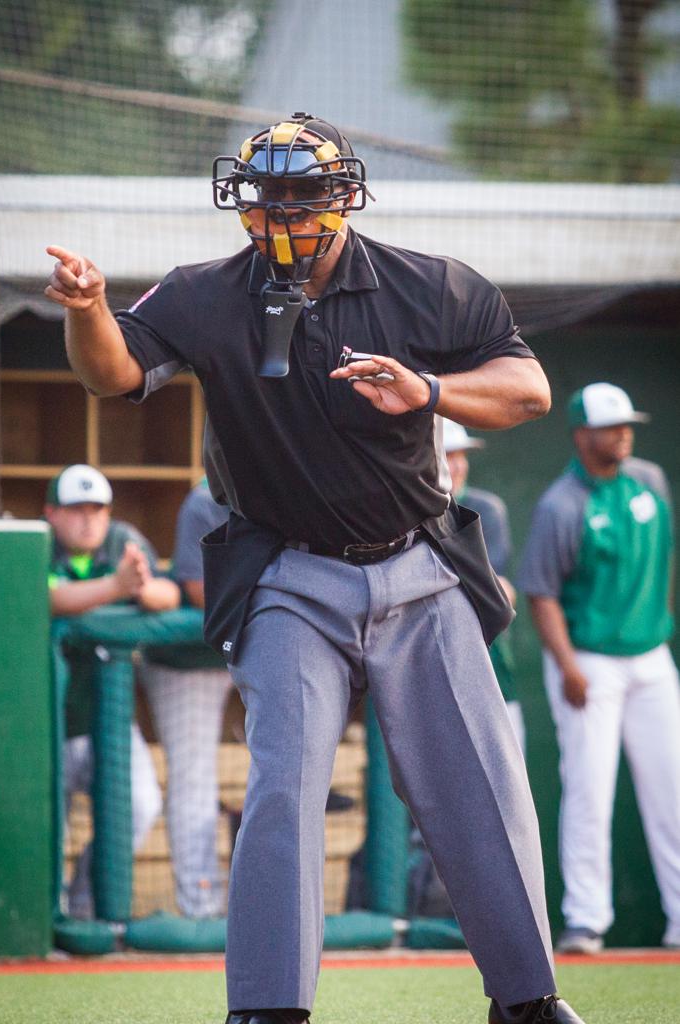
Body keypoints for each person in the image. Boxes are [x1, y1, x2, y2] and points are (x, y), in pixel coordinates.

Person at [44, 112, 584, 1024]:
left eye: (302, 190)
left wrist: (432, 392)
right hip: (289, 575)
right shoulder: (203, 293)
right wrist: (91, 308)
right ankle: (269, 1008)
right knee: (285, 784)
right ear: (243, 198)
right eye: (267, 192)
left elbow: (529, 391)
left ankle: (528, 1000)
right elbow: (111, 377)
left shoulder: (430, 285)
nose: (283, 208)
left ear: (344, 194)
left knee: (481, 786)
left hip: (419, 568)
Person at [518, 382, 680, 955]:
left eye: (627, 424)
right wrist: (568, 667)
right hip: (588, 664)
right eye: (612, 426)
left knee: (673, 789)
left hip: (651, 659)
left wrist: (655, 622)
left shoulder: (652, 480)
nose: (624, 433)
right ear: (583, 435)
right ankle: (586, 921)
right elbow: (541, 595)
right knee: (590, 790)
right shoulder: (562, 504)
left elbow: (662, 558)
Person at [46, 463, 179, 919]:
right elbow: (50, 598)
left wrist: (141, 588)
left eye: (96, 509)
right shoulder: (38, 543)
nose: (88, 519)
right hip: (48, 722)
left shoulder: (122, 538)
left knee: (140, 806)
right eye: (76, 509)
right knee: (47, 829)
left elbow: (170, 595)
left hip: (108, 722)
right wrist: (115, 587)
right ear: (52, 513)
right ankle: (49, 914)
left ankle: (83, 900)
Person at [142, 478, 232, 918]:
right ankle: (201, 906)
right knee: (195, 777)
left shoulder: (292, 478)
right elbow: (198, 589)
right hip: (190, 659)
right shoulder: (206, 499)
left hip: (259, 647)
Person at [442, 417, 525, 754]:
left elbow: (500, 595)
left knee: (508, 778)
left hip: (490, 668)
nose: (458, 465)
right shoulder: (402, 514)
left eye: (461, 455)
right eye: (448, 455)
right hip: (429, 678)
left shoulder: (486, 508)